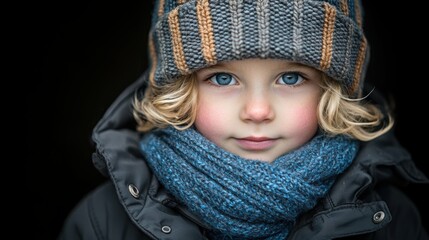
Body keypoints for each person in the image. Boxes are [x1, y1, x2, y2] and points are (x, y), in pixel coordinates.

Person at [58, 0, 429, 239]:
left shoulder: (389, 218)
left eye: (291, 78)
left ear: (332, 92)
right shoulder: (104, 221)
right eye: (222, 78)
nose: (256, 111)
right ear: (180, 91)